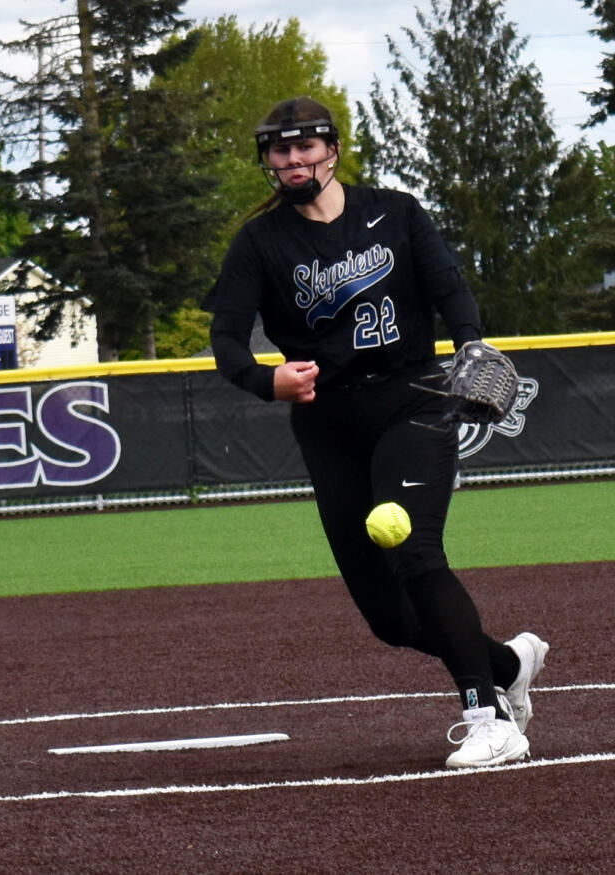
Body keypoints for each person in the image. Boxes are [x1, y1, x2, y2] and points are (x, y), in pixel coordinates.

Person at [204, 97, 548, 768]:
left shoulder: (393, 211)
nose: (295, 158)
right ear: (267, 162)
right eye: (281, 149)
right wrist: (263, 379)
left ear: (332, 149)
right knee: (389, 618)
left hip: (413, 400)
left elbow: (450, 289)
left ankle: (489, 715)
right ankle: (507, 662)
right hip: (328, 423)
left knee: (416, 551)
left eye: (307, 145)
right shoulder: (260, 241)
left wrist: (470, 342)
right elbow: (225, 340)